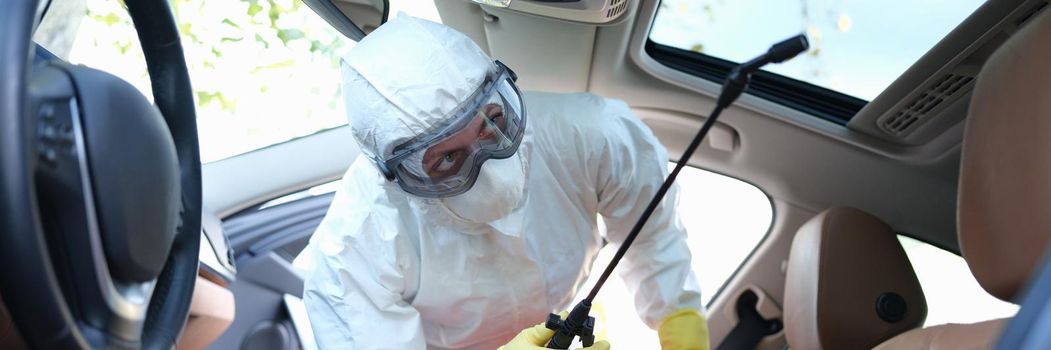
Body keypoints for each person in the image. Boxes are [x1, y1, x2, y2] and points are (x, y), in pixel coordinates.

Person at [296, 15, 709, 350]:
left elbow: (653, 238)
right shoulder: (352, 247)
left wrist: (681, 324)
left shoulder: (593, 135)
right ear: (398, 177)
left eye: (491, 124)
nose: (490, 169)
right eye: (447, 158)